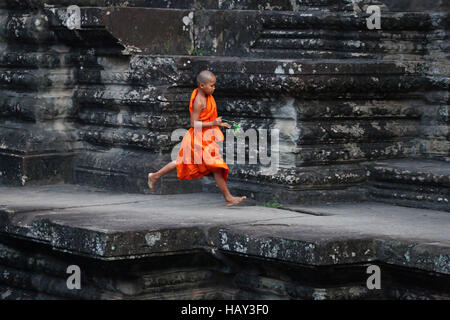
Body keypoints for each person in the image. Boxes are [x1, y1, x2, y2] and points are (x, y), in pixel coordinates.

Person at [147, 70, 247, 207]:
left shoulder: (206, 97)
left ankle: (155, 176)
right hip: (197, 138)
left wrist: (218, 123)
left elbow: (208, 117)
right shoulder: (199, 101)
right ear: (201, 85)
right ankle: (228, 198)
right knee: (215, 166)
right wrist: (213, 123)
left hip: (206, 137)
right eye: (211, 85)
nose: (214, 88)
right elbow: (193, 123)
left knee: (194, 164)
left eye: (214, 85)